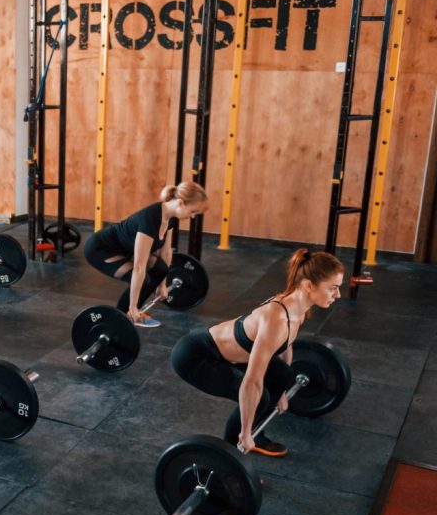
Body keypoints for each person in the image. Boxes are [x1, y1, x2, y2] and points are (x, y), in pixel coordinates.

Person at [170, 249, 344, 457]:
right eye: (333, 288)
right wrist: (244, 432)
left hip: (227, 354)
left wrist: (281, 390)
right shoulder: (277, 320)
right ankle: (230, 457)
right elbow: (252, 381)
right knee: (259, 398)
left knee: (283, 375)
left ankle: (256, 435)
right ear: (308, 285)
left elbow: (285, 346)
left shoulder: (298, 308)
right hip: (196, 356)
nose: (338, 295)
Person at [83, 182, 209, 327]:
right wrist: (132, 306)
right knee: (143, 279)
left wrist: (162, 284)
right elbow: (139, 267)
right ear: (180, 203)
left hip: (123, 248)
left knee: (161, 268)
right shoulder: (150, 219)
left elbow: (166, 252)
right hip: (100, 249)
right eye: (193, 211)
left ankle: (132, 314)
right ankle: (123, 317)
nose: (193, 216)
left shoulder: (170, 218)